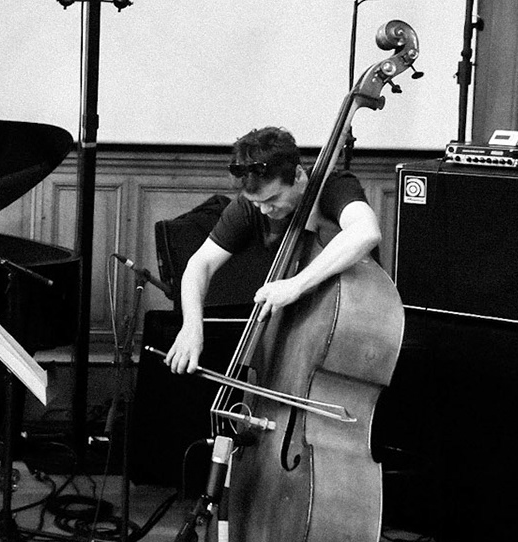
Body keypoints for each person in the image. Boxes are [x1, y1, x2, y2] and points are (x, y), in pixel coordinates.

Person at [163, 126, 382, 376]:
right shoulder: (252, 207)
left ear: (298, 176)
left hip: (353, 335)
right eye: (257, 203)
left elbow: (366, 231)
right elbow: (199, 264)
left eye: (273, 199)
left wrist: (296, 285)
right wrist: (191, 326)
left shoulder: (334, 186)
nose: (265, 211)